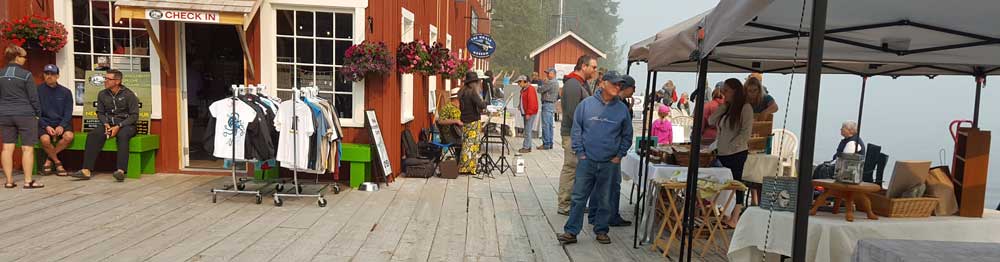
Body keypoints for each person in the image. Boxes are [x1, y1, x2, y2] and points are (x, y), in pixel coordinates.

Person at [557, 71, 633, 245]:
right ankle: (571, 232)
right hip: (587, 160)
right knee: (578, 197)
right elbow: (576, 131)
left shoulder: (622, 109)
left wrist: (619, 155)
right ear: (602, 83)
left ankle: (601, 230)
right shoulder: (586, 105)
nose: (617, 87)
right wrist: (580, 154)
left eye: (619, 84)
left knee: (605, 199)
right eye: (614, 83)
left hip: (609, 163)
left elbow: (627, 135)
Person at [71, 69, 140, 182]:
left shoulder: (128, 94)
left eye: (108, 79)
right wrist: (106, 124)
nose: (105, 81)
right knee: (93, 134)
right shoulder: (102, 94)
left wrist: (119, 126)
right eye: (105, 78)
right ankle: (86, 170)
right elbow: (100, 113)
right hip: (108, 123)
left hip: (126, 125)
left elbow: (134, 116)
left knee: (122, 136)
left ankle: (121, 171)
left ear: (117, 81)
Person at [709, 78, 754, 227]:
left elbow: (745, 132)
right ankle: (725, 213)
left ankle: (735, 216)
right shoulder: (727, 108)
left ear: (735, 91)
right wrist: (723, 107)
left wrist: (732, 146)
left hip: (736, 153)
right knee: (724, 184)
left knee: (737, 183)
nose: (723, 93)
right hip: (722, 152)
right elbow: (711, 120)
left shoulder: (745, 108)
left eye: (727, 90)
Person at [558, 55, 598, 215]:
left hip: (579, 134)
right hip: (573, 135)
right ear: (583, 66)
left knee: (576, 170)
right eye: (593, 67)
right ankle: (565, 204)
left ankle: (574, 203)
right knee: (571, 169)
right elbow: (572, 113)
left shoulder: (580, 83)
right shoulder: (573, 85)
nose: (595, 71)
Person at [0, 45, 43, 189]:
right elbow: (33, 97)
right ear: (17, 57)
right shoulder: (26, 75)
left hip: (5, 113)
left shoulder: (0, 74)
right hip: (25, 113)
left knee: (7, 147)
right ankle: (28, 180)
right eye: (24, 57)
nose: (25, 59)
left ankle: (9, 181)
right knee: (27, 148)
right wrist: (38, 113)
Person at [37, 64, 75, 176]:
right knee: (45, 140)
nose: (49, 76)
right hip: (44, 122)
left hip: (60, 122)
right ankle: (58, 162)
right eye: (46, 74)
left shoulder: (66, 92)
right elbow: (35, 112)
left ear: (57, 76)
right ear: (44, 75)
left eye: (52, 74)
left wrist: (62, 125)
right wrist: (45, 126)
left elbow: (68, 112)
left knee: (69, 136)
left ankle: (49, 160)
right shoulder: (37, 90)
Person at [458, 71, 488, 175]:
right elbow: (481, 105)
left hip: (465, 120)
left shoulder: (462, 91)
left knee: (466, 143)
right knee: (472, 145)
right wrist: (485, 102)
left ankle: (464, 166)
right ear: (473, 83)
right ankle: (469, 168)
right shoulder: (472, 92)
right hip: (473, 120)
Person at [515, 75, 539, 154]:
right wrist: (520, 105)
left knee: (527, 130)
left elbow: (531, 103)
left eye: (519, 82)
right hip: (526, 112)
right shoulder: (524, 89)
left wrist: (528, 113)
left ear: (524, 81)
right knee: (527, 129)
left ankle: (526, 147)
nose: (518, 84)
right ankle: (528, 146)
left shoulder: (530, 89)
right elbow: (522, 99)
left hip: (530, 113)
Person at [537, 68, 559, 150]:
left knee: (545, 125)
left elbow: (540, 89)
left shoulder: (550, 82)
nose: (547, 75)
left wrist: (543, 82)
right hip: (552, 104)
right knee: (549, 125)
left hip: (547, 103)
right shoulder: (556, 82)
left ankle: (546, 143)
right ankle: (550, 142)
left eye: (548, 73)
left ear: (553, 74)